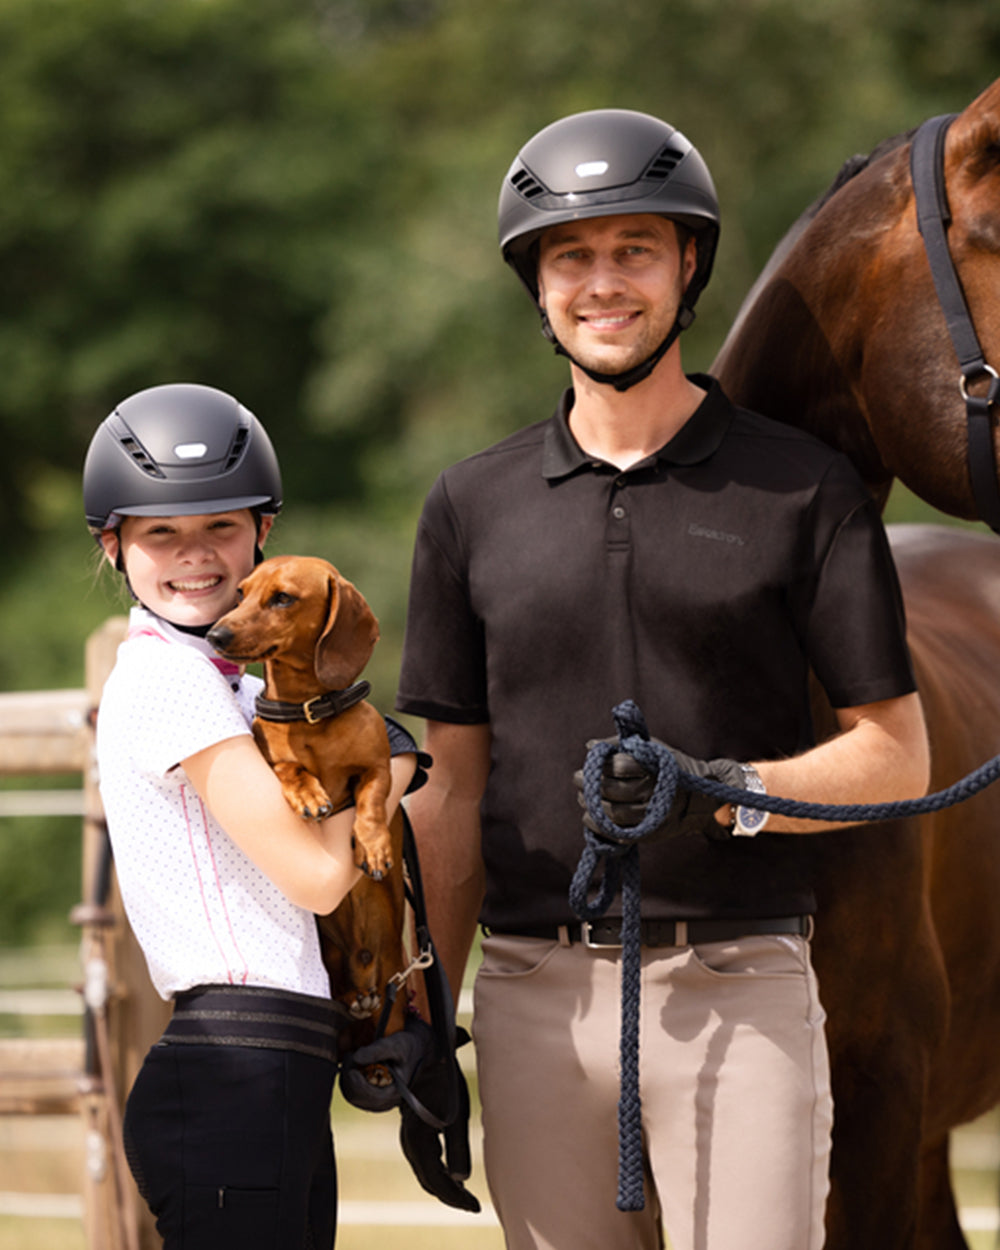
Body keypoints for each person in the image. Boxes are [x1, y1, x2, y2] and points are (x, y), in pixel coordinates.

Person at [394, 109, 930, 1250]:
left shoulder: (805, 489)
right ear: (535, 285)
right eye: (570, 256)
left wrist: (727, 786)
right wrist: (428, 1014)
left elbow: (895, 750)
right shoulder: (468, 507)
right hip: (537, 992)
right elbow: (447, 788)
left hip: (742, 986)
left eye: (633, 249)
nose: (602, 282)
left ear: (687, 266)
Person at [83, 382, 425, 1250]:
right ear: (113, 544)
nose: (196, 556)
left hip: (282, 1057)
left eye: (220, 528)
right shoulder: (167, 679)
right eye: (161, 532)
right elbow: (315, 875)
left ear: (262, 533)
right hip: (234, 1062)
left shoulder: (235, 683)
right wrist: (390, 762)